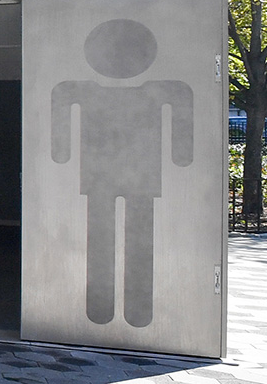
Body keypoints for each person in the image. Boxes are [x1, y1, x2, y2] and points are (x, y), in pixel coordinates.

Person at [51, 19, 192, 328]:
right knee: (126, 239)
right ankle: (129, 312)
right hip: (132, 179)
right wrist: (181, 156)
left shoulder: (82, 91)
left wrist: (60, 155)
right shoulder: (162, 90)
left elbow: (60, 112)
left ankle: (107, 311)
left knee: (107, 238)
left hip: (112, 179)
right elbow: (182, 118)